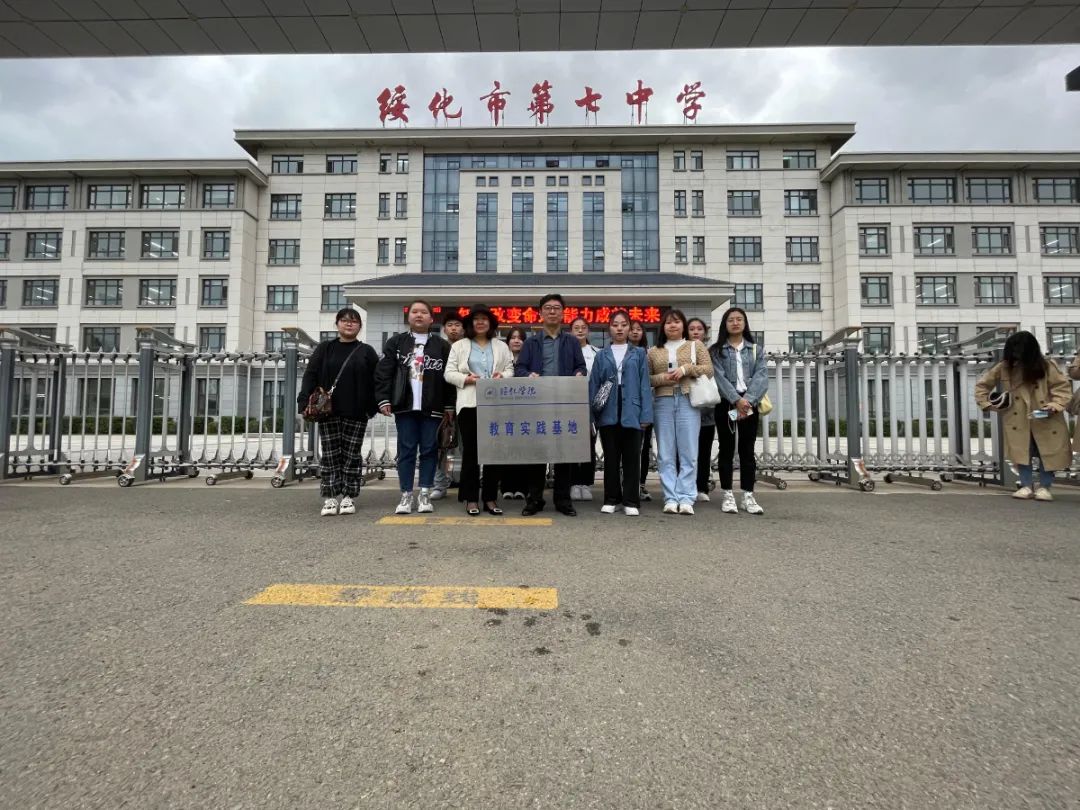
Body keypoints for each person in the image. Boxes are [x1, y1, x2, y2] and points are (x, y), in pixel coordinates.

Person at [374, 299, 456, 515]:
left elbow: (449, 378)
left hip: (433, 408)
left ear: (431, 318)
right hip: (405, 407)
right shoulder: (396, 343)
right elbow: (384, 372)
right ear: (408, 317)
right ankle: (406, 494)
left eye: (423, 312)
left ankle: (425, 493)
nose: (419, 315)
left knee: (430, 449)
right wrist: (384, 399)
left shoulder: (442, 346)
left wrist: (449, 405)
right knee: (407, 450)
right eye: (414, 312)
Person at [296, 307, 379, 517]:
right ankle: (331, 496)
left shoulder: (366, 351)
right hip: (328, 411)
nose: (349, 324)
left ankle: (349, 495)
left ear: (360, 326)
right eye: (344, 320)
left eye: (354, 321)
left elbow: (377, 381)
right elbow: (311, 374)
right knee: (330, 454)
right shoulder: (325, 348)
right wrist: (303, 401)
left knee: (352, 455)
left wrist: (371, 408)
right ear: (337, 324)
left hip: (357, 411)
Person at [975, 331, 1073, 501]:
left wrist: (1055, 405)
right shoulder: (1004, 367)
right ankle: (1026, 485)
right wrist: (988, 404)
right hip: (1017, 417)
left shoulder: (1047, 366)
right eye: (1013, 351)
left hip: (1046, 415)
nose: (1016, 355)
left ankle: (1045, 487)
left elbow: (1062, 388)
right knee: (1021, 451)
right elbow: (982, 385)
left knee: (1048, 452)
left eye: (1020, 351)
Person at [514, 293, 587, 516]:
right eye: (548, 308)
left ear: (563, 313)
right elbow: (520, 369)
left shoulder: (572, 342)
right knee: (537, 453)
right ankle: (534, 499)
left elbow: (581, 367)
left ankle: (563, 500)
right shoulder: (531, 342)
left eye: (556, 307)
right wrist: (528, 375)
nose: (552, 311)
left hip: (564, 403)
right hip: (537, 404)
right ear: (541, 313)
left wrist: (578, 374)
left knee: (564, 453)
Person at [445, 305, 514, 516]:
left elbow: (510, 369)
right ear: (470, 323)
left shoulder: (501, 346)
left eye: (485, 318)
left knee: (494, 452)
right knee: (471, 453)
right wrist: (466, 379)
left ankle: (490, 498)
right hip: (469, 404)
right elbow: (449, 373)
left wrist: (503, 376)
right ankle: (471, 498)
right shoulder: (460, 346)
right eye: (476, 319)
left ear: (491, 323)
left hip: (496, 405)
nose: (481, 322)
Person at [647, 309, 712, 515]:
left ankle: (686, 497)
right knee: (665, 453)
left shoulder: (695, 345)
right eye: (668, 323)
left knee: (689, 452)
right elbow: (647, 379)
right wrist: (663, 378)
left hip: (687, 400)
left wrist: (686, 369)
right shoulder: (653, 351)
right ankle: (670, 497)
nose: (672, 325)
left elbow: (709, 369)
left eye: (676, 322)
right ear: (662, 327)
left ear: (683, 325)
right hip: (663, 402)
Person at [590, 310, 652, 516]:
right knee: (611, 457)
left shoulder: (639, 353)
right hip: (608, 409)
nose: (619, 328)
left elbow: (645, 384)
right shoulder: (601, 355)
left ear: (629, 328)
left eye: (624, 325)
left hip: (632, 410)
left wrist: (646, 414)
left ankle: (631, 500)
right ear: (609, 328)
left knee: (632, 458)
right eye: (615, 324)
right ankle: (612, 498)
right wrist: (592, 415)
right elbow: (594, 384)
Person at [709, 307, 769, 516]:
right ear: (724, 324)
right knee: (726, 449)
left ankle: (747, 495)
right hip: (726, 404)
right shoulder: (716, 351)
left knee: (747, 450)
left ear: (745, 323)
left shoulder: (755, 349)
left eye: (739, 319)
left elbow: (762, 376)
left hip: (749, 405)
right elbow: (719, 378)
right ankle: (727, 494)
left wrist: (747, 401)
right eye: (731, 320)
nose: (735, 323)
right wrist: (736, 400)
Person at [430, 309, 466, 500]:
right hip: (443, 406)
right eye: (450, 325)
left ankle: (469, 483)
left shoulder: (468, 348)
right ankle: (440, 484)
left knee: (467, 446)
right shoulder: (437, 348)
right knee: (442, 446)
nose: (453, 328)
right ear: (444, 329)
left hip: (466, 404)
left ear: (463, 329)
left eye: (457, 325)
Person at [498, 326, 530, 501]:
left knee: (524, 449)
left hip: (525, 411)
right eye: (513, 337)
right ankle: (507, 486)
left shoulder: (529, 359)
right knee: (506, 448)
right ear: (508, 341)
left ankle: (522, 487)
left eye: (520, 338)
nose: (516, 340)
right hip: (505, 411)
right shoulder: (502, 358)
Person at [570, 316, 598, 502]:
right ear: (570, 331)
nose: (580, 330)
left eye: (583, 327)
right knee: (571, 444)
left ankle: (586, 483)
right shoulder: (566, 351)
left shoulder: (596, 352)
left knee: (589, 444)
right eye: (576, 328)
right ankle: (573, 483)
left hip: (591, 403)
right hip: (570, 404)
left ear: (588, 331)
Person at [687, 318, 715, 502]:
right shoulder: (681, 351)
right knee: (685, 451)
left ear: (705, 333)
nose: (696, 332)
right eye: (692, 329)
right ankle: (686, 486)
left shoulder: (712, 352)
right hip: (686, 408)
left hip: (707, 409)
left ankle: (702, 486)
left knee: (704, 451)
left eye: (699, 329)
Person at [629, 319, 654, 502]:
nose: (635, 332)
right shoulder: (622, 352)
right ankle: (627, 482)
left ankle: (641, 483)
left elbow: (651, 378)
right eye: (632, 329)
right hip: (628, 406)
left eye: (639, 329)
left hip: (647, 405)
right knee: (629, 447)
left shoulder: (650, 353)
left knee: (645, 447)